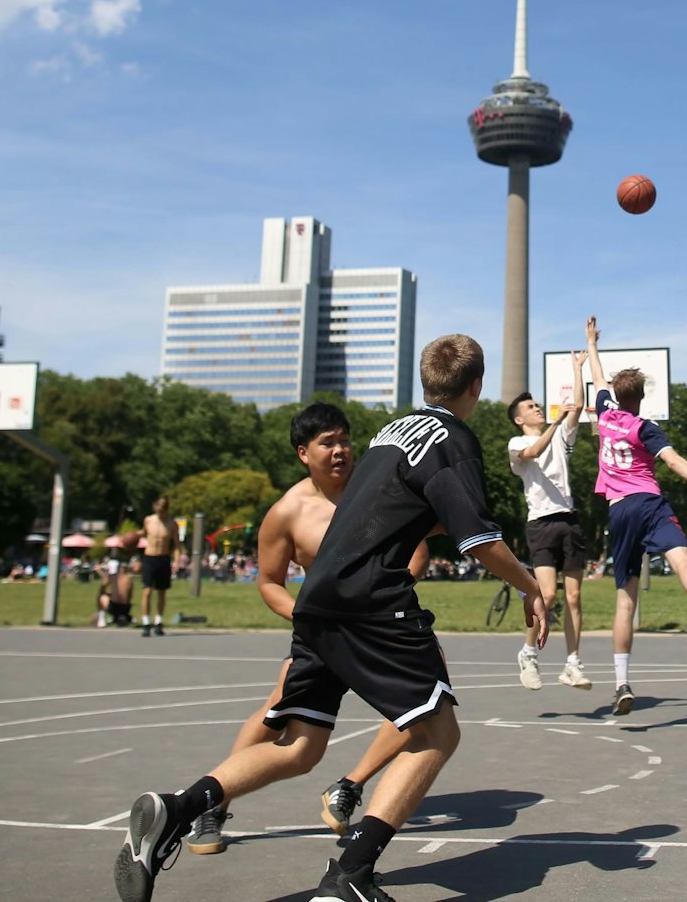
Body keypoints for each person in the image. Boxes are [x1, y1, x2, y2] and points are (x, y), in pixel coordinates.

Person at [114, 334, 548, 902]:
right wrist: (532, 588)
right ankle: (350, 875)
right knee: (437, 732)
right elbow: (479, 540)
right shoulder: (453, 440)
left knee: (299, 747)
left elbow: (396, 512)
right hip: (371, 603)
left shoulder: (391, 433)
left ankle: (178, 808)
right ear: (477, 386)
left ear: (425, 383)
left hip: (317, 602)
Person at [184, 401, 441, 856]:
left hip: (379, 625)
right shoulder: (287, 511)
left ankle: (348, 786)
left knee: (426, 703)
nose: (341, 450)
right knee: (278, 717)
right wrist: (307, 614)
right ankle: (213, 803)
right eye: (328, 443)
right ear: (304, 453)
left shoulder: (381, 491)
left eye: (345, 439)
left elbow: (418, 550)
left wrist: (381, 593)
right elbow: (269, 582)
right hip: (322, 633)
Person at [583, 315, 687, 718]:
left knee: (625, 601)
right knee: (682, 556)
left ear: (617, 396)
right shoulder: (644, 427)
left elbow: (599, 377)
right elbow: (673, 462)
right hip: (648, 503)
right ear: (642, 397)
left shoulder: (605, 415)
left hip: (618, 512)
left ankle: (621, 683)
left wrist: (591, 344)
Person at [507, 349, 592, 691]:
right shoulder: (518, 442)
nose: (537, 408)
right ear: (519, 418)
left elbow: (580, 406)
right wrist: (555, 421)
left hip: (568, 520)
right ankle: (529, 654)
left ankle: (572, 662)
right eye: (530, 407)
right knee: (548, 595)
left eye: (537, 405)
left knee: (573, 597)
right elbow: (534, 452)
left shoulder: (560, 434)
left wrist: (577, 370)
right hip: (541, 523)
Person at [139, 496, 177, 636]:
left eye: (163, 511)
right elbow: (143, 533)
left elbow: (177, 545)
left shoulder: (172, 524)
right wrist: (131, 537)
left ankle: (158, 622)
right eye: (158, 510)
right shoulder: (148, 520)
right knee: (147, 591)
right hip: (149, 557)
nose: (161, 514)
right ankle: (145, 622)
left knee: (161, 592)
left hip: (164, 558)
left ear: (166, 510)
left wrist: (177, 561)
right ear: (155, 508)